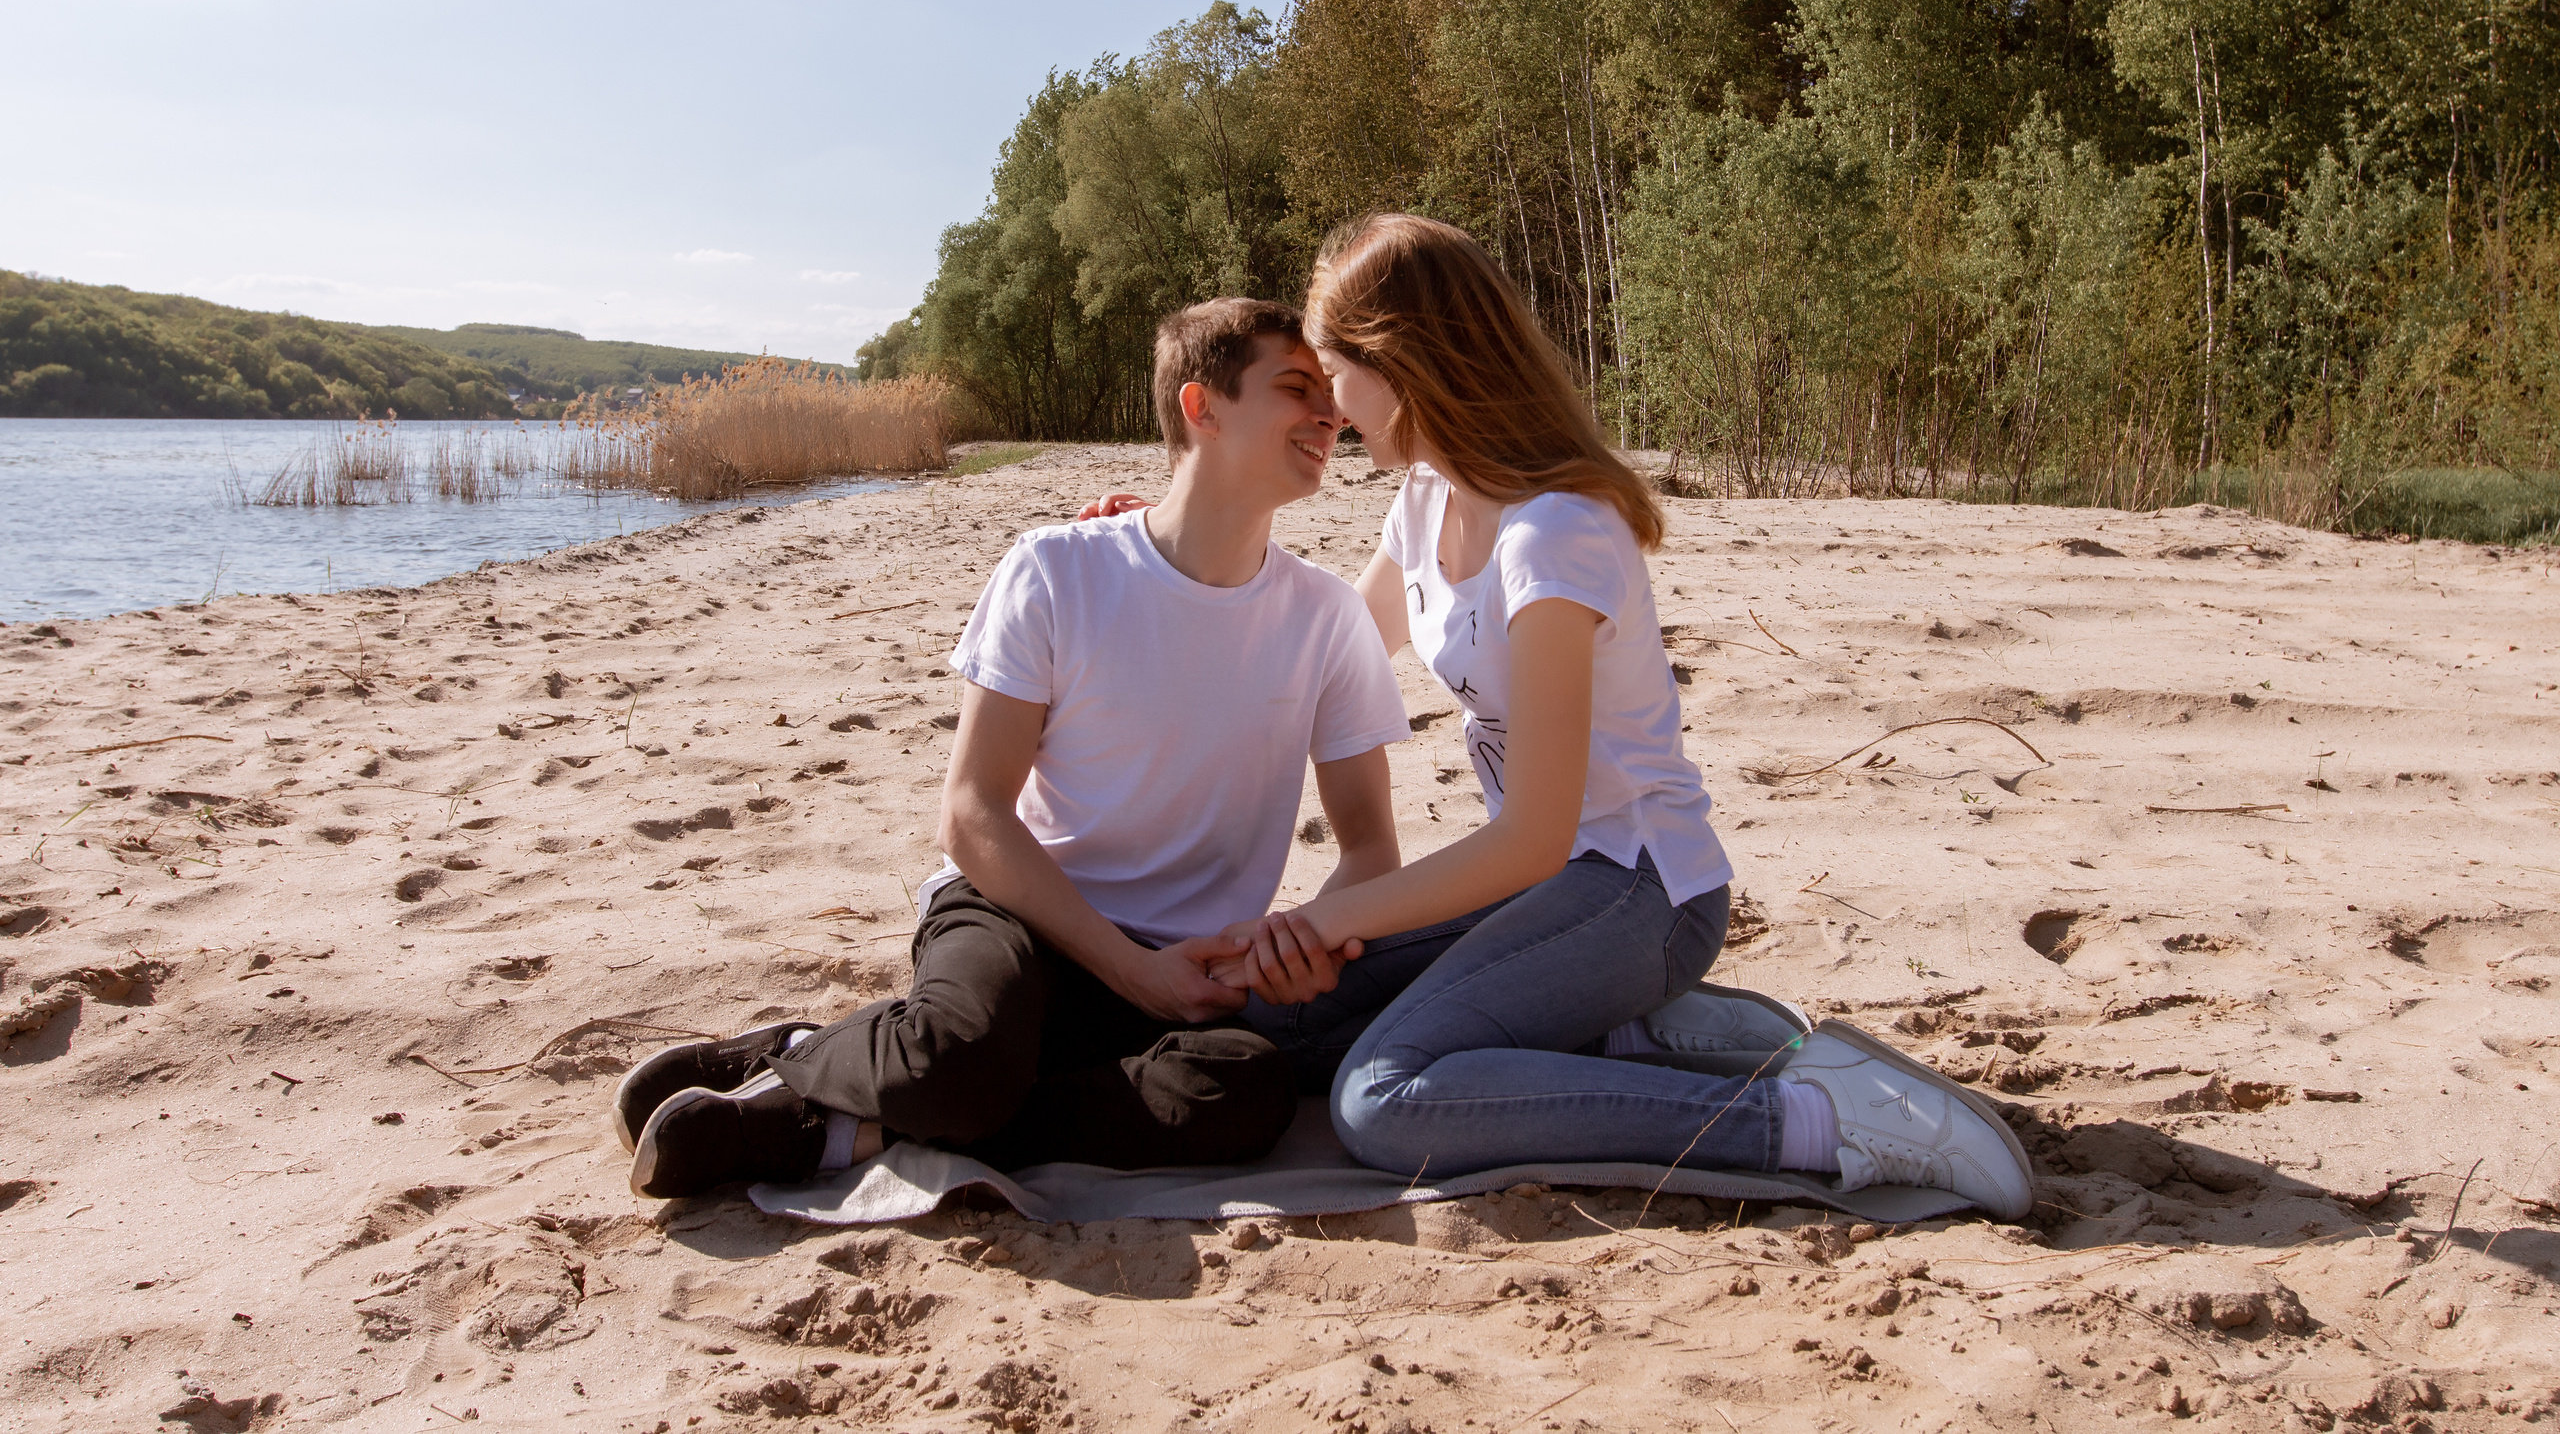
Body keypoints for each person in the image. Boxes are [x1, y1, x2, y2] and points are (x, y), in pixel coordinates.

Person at [1209, 214, 2034, 1218]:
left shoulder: (1551, 537)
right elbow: (1327, 647)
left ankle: (1823, 1119)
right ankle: (1629, 1036)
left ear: (1404, 361)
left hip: (1640, 891)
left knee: (1383, 1101)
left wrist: (1328, 917)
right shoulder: (1424, 500)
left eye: (1335, 370)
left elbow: (1533, 837)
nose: (1330, 405)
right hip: (1550, 888)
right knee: (1274, 1023)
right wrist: (1173, 551)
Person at [614, 297, 1427, 1198]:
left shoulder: (1328, 621)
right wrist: (1132, 971)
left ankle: (864, 1117)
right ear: (1202, 406)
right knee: (960, 1054)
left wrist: (1294, 940)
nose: (1331, 412)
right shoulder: (1058, 569)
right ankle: (803, 1062)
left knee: (1244, 1092)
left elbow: (1369, 850)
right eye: (1296, 386)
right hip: (1018, 912)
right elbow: (972, 813)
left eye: (1330, 393)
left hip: (1188, 965)